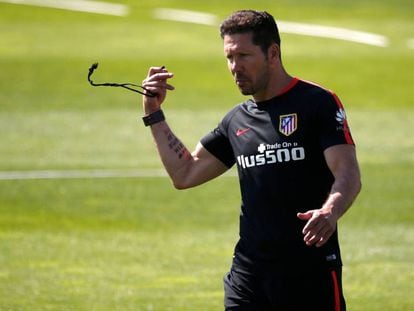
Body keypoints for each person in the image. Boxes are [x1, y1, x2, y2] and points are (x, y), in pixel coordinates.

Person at [141, 9, 361, 311]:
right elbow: (185, 172)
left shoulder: (317, 103)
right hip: (249, 275)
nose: (235, 67)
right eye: (229, 58)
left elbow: (347, 172)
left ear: (272, 52)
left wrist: (330, 211)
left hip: (308, 271)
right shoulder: (236, 121)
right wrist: (154, 113)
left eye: (243, 56)